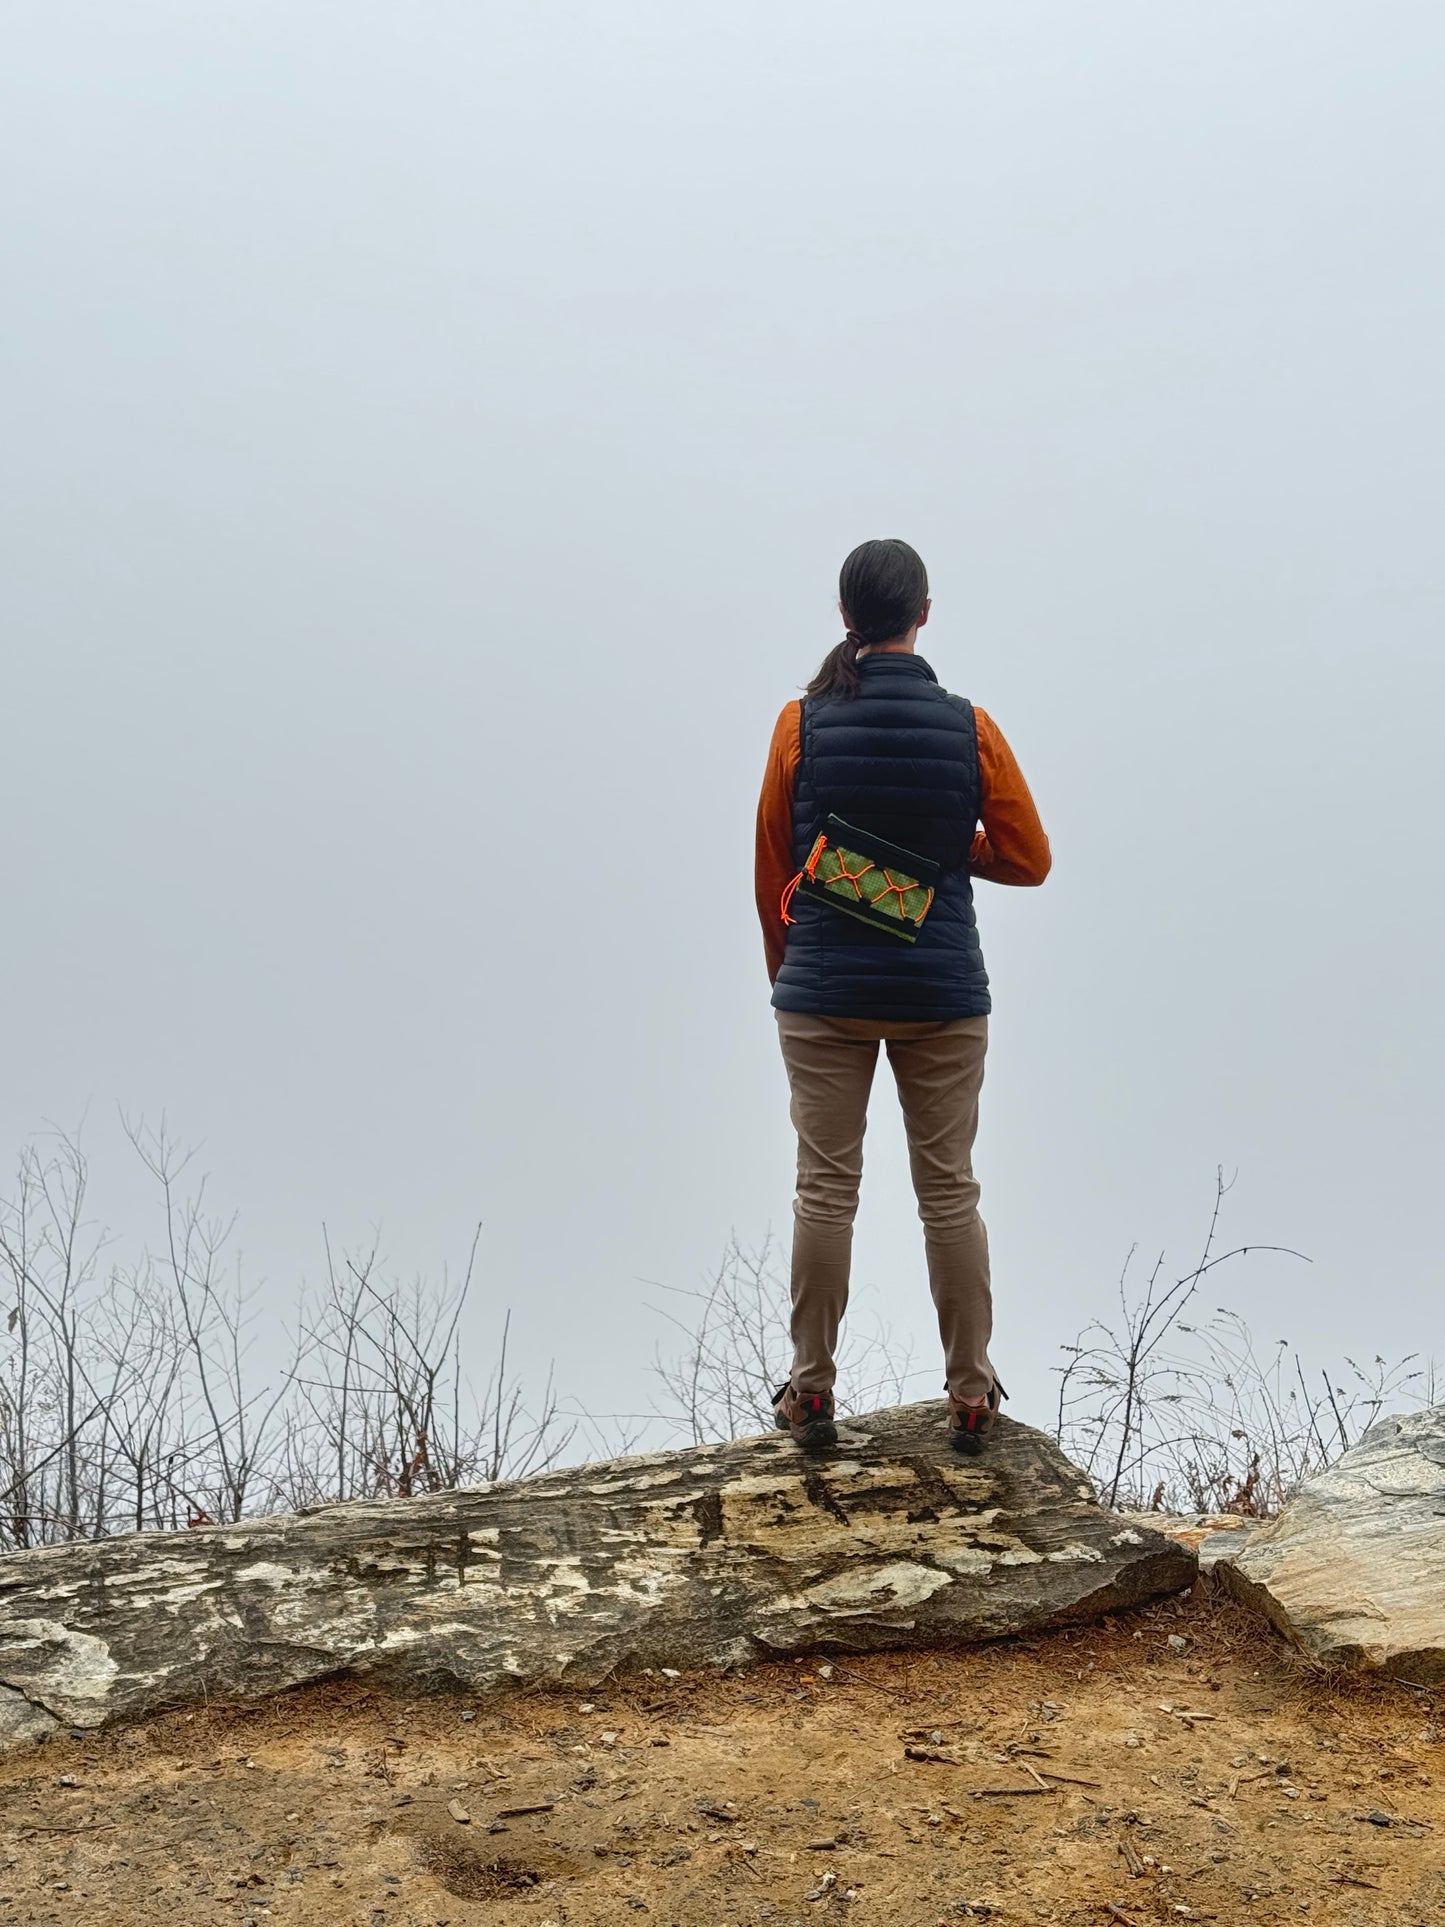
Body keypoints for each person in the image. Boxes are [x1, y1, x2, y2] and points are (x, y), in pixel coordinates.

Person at [755, 538, 1051, 1454]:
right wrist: (952, 853)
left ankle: (810, 1390)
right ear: (924, 612)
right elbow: (1028, 858)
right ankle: (969, 1392)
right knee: (949, 1193)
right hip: (942, 994)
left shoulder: (798, 724)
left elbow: (771, 865)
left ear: (846, 618)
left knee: (824, 1191)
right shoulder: (971, 728)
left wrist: (791, 977)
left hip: (824, 993)